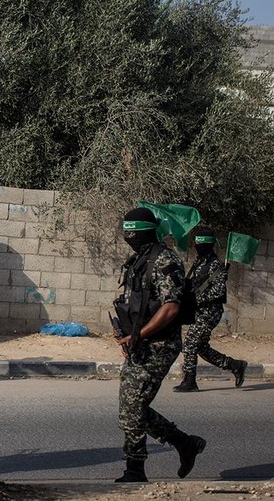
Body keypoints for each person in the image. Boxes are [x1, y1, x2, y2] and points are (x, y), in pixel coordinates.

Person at [112, 207, 206, 483]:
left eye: (132, 233)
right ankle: (185, 443)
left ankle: (135, 470)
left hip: (160, 345)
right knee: (131, 408)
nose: (129, 237)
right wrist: (126, 333)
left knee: (132, 409)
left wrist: (139, 335)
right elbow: (138, 303)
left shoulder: (165, 259)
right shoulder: (138, 260)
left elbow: (171, 307)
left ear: (145, 232)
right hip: (140, 343)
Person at [174, 227, 247, 392]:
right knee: (201, 347)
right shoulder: (200, 262)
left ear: (209, 245)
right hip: (200, 311)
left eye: (201, 244)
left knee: (190, 343)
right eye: (197, 244)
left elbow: (218, 291)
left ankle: (190, 381)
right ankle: (235, 365)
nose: (198, 247)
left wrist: (196, 299)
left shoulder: (215, 264)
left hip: (210, 311)